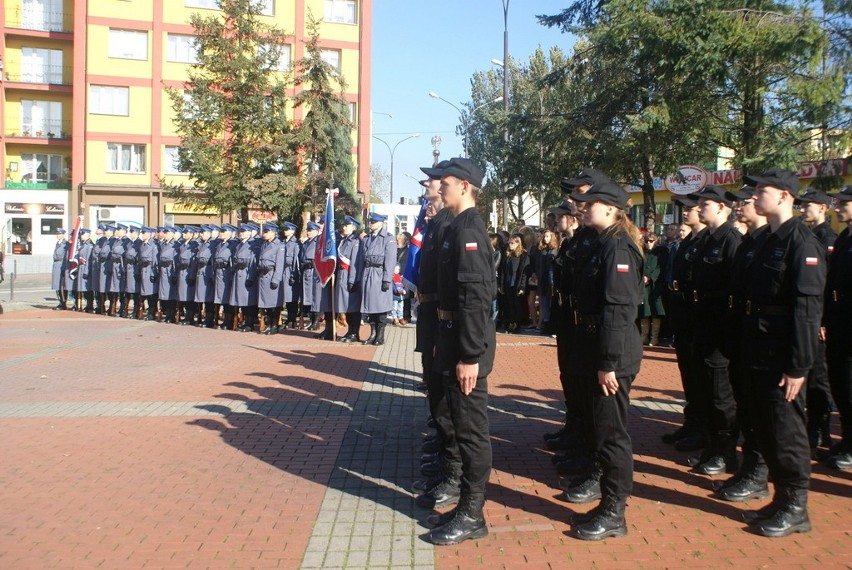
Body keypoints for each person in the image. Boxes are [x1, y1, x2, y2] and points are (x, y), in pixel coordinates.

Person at [739, 168, 826, 537]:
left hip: (783, 355)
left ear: (786, 197)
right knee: (765, 428)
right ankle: (779, 498)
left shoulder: (802, 243)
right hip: (758, 348)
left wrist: (798, 366)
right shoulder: (766, 240)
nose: (756, 196)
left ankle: (796, 506)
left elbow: (807, 312)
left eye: (763, 190)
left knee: (787, 431)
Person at [423, 157, 496, 546]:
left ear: (465, 186)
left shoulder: (470, 231)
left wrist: (469, 356)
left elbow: (474, 300)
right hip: (451, 336)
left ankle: (472, 513)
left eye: (446, 183)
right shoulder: (454, 228)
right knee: (459, 423)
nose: (441, 188)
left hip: (465, 345)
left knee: (471, 432)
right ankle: (466, 508)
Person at [566, 181, 644, 540]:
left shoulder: (618, 247)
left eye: (589, 203)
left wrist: (608, 361)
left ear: (612, 208)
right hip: (593, 346)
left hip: (611, 353)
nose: (582, 208)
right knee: (600, 430)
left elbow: (619, 310)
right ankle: (607, 503)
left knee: (612, 435)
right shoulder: (601, 243)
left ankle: (615, 511)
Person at [715, 185, 771, 503]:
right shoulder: (749, 242)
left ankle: (760, 473)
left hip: (766, 339)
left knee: (763, 412)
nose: (740, 206)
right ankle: (749, 468)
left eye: (746, 201)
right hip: (743, 333)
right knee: (747, 406)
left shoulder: (772, 242)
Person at [413, 162, 464, 511]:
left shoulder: (453, 226)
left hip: (446, 322)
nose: (431, 187)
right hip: (433, 315)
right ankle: (446, 462)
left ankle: (454, 474)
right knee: (437, 393)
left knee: (451, 405)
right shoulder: (438, 223)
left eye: (435, 182)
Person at [684, 185, 742, 476]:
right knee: (705, 390)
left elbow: (736, 288)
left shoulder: (732, 240)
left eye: (705, 203)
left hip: (720, 325)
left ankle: (726, 452)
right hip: (702, 321)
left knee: (720, 395)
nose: (700, 207)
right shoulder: (706, 239)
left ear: (722, 207)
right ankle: (711, 447)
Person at [661, 197, 707, 452]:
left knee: (703, 379)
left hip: (700, 318)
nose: (685, 213)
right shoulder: (688, 242)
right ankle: (692, 423)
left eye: (689, 208)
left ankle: (704, 431)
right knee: (689, 375)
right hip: (685, 317)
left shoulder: (709, 241)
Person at [796, 189, 838, 452]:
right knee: (811, 374)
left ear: (823, 208)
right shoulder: (811, 235)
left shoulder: (828, 238)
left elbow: (827, 284)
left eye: (808, 206)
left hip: (821, 316)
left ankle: (821, 430)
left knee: (820, 377)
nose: (803, 210)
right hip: (814, 316)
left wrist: (823, 319)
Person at [822, 185, 852, 470]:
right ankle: (846, 440)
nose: (838, 207)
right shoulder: (844, 237)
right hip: (840, 319)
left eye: (844, 202)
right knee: (841, 383)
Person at [360, 212, 395, 346]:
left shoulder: (388, 238)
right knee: (369, 307)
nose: (371, 224)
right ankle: (373, 333)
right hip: (368, 273)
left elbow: (390, 260)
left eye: (373, 222)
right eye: (370, 222)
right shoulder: (368, 238)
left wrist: (387, 279)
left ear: (381, 223)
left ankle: (380, 336)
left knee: (380, 308)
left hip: (379, 275)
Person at [333, 216, 364, 342]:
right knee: (346, 306)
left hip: (350, 276)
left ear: (353, 227)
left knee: (353, 307)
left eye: (347, 225)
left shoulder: (356, 242)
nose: (344, 227)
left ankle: (354, 333)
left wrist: (352, 280)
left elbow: (355, 263)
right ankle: (349, 331)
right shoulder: (344, 241)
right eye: (343, 225)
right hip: (342, 275)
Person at [638, 232, 667, 346]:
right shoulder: (642, 252)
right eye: (647, 241)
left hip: (656, 285)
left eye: (651, 241)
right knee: (645, 310)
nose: (649, 243)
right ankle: (644, 336)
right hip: (643, 285)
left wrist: (650, 277)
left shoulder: (662, 252)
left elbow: (662, 267)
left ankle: (654, 337)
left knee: (656, 311)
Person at [257, 223, 286, 334]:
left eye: (266, 232)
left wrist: (276, 279)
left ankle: (274, 325)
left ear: (273, 232)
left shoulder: (279, 245)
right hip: (263, 276)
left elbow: (279, 264)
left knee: (274, 304)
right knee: (266, 304)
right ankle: (269, 324)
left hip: (271, 275)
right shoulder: (264, 244)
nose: (264, 234)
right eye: (264, 232)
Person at [231, 225, 260, 333]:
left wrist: (251, 277)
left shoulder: (253, 244)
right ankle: (245, 322)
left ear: (249, 232)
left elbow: (254, 262)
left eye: (244, 232)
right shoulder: (240, 244)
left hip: (247, 274)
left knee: (249, 300)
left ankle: (250, 323)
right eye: (241, 231)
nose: (241, 233)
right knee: (241, 300)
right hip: (239, 274)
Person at [499, 234, 528, 333]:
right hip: (508, 283)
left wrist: (522, 287)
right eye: (509, 242)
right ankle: (511, 323)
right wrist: (501, 285)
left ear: (517, 243)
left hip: (517, 284)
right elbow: (503, 271)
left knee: (517, 305)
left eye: (512, 243)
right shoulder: (508, 254)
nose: (509, 245)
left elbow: (524, 273)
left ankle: (517, 324)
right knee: (510, 304)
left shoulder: (523, 255)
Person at [535, 229, 559, 334]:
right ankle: (546, 323)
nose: (545, 239)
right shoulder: (542, 250)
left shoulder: (555, 250)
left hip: (551, 280)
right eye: (544, 236)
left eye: (547, 236)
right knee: (544, 302)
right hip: (543, 279)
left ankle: (551, 325)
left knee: (550, 303)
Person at [280, 222, 302, 330]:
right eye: (285, 229)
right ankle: (289, 318)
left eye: (287, 229)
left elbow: (296, 261)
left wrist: (295, 274)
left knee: (292, 298)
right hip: (283, 271)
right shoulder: (283, 242)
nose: (285, 231)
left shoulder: (295, 244)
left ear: (292, 231)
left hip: (290, 271)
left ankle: (292, 319)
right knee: (286, 297)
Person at [194, 226, 217, 328]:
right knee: (201, 297)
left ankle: (209, 319)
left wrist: (212, 274)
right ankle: (203, 318)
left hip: (207, 273)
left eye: (203, 233)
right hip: (201, 272)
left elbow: (213, 261)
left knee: (208, 298)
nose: (201, 235)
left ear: (209, 233)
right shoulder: (202, 244)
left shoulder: (212, 244)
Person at [300, 222, 321, 330]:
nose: (308, 232)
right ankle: (311, 320)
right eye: (308, 230)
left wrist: (312, 263)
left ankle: (316, 321)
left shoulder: (318, 242)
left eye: (311, 230)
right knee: (307, 297)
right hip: (307, 272)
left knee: (315, 297)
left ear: (317, 231)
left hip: (315, 272)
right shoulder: (306, 243)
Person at [157, 227, 180, 323]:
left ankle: (172, 314)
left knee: (171, 294)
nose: (165, 235)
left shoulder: (176, 244)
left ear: (172, 234)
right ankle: (167, 313)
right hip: (163, 270)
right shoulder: (163, 244)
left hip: (171, 271)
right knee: (165, 294)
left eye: (167, 233)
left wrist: (175, 274)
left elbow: (177, 260)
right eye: (165, 233)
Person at [138, 227, 159, 321]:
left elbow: (155, 260)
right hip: (143, 270)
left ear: (150, 234)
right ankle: (148, 311)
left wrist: (153, 273)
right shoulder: (143, 245)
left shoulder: (153, 245)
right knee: (145, 293)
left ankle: (152, 313)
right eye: (142, 233)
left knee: (151, 294)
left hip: (150, 270)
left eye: (145, 233)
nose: (143, 235)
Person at [51, 228, 69, 310]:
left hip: (61, 264)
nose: (57, 235)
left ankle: (63, 302)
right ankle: (60, 302)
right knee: (56, 285)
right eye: (57, 234)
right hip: (56, 264)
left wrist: (64, 268)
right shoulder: (58, 243)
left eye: (59, 234)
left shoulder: (65, 244)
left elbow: (66, 256)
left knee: (61, 285)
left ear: (62, 234)